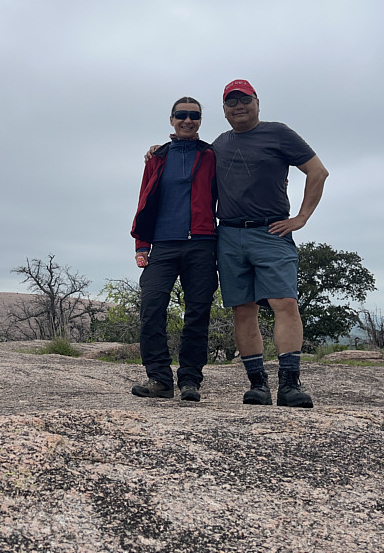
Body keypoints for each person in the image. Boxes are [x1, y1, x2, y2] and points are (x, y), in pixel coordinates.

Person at [146, 79, 329, 408]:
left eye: (244, 99)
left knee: (284, 303)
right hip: (228, 234)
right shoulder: (219, 145)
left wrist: (301, 218)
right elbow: (189, 160)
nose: (239, 106)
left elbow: (317, 172)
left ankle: (290, 384)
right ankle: (257, 385)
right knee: (243, 310)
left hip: (271, 231)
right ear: (224, 110)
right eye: (231, 102)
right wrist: (160, 150)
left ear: (257, 102)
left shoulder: (279, 133)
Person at [129, 96, 218, 402]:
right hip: (163, 245)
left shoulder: (211, 155)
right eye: (182, 115)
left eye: (194, 116)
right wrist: (142, 245)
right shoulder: (157, 157)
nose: (187, 120)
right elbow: (145, 198)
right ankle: (159, 379)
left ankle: (190, 380)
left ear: (200, 121)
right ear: (171, 119)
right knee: (152, 306)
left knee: (197, 313)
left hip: (202, 244)